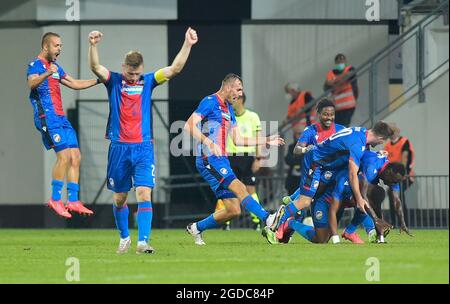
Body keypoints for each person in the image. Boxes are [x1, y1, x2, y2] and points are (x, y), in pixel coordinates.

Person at [88, 27, 198, 254]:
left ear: (142, 70)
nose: (134, 78)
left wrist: (187, 43)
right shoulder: (114, 81)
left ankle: (143, 242)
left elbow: (175, 69)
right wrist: (93, 45)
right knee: (120, 199)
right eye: (130, 74)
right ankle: (125, 237)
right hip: (119, 148)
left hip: (143, 147)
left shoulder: (148, 81)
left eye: (137, 74)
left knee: (144, 193)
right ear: (123, 68)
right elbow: (95, 67)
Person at [184, 74, 285, 246]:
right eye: (238, 89)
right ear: (228, 87)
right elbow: (188, 126)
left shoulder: (229, 109)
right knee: (240, 187)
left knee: (233, 209)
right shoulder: (210, 101)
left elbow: (238, 140)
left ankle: (196, 228)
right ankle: (267, 219)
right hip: (208, 158)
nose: (239, 94)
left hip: (221, 159)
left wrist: (265, 140)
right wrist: (208, 141)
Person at [264, 121, 394, 244]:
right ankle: (273, 227)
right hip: (315, 163)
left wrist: (379, 155)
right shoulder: (357, 143)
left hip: (325, 167)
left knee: (322, 236)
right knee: (304, 201)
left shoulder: (361, 133)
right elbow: (352, 173)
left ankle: (290, 210)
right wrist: (359, 198)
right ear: (381, 139)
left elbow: (361, 157)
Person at [27, 32, 99, 219]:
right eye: (57, 45)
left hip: (60, 118)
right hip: (46, 117)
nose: (60, 49)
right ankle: (55, 199)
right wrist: (46, 73)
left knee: (75, 156)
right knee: (64, 156)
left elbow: (74, 83)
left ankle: (73, 200)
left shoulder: (56, 67)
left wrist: (100, 80)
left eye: (60, 46)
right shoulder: (35, 65)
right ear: (46, 47)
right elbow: (32, 83)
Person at [282, 98, 346, 206]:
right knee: (304, 205)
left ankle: (293, 198)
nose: (329, 118)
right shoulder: (311, 130)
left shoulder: (342, 130)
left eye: (332, 114)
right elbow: (296, 150)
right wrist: (305, 149)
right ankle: (286, 213)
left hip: (335, 172)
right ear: (319, 114)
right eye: (326, 114)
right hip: (316, 173)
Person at [215, 93, 264, 231]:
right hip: (230, 156)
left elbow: (258, 138)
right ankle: (224, 222)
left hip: (247, 157)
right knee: (226, 189)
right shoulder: (228, 116)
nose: (231, 103)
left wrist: (258, 159)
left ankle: (257, 220)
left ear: (241, 100)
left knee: (250, 190)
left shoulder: (253, 117)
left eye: (234, 100)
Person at [384, 124, 415, 229]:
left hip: (403, 176)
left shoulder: (404, 142)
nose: (392, 133)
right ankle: (394, 222)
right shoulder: (387, 145)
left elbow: (405, 158)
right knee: (393, 196)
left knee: (399, 196)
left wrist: (402, 174)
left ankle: (403, 222)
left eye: (393, 130)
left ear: (397, 131)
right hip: (392, 177)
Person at [323, 54, 358, 127]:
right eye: (338, 61)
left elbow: (348, 76)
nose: (340, 63)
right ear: (335, 63)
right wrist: (342, 77)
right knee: (337, 128)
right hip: (337, 107)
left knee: (344, 127)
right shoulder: (331, 73)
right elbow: (326, 86)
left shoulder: (350, 69)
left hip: (348, 105)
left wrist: (334, 81)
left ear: (345, 61)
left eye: (342, 61)